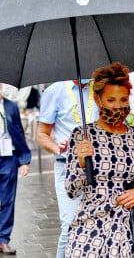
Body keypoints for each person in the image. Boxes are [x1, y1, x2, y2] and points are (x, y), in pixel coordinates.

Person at [64, 62, 134, 258]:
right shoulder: (82, 135)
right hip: (91, 223)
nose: (118, 106)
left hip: (131, 226)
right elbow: (71, 190)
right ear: (97, 98)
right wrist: (81, 163)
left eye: (123, 99)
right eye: (111, 100)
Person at [37, 79, 99, 258]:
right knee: (71, 226)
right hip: (67, 167)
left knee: (97, 225)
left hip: (98, 167)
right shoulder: (53, 92)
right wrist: (57, 148)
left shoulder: (100, 88)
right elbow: (41, 134)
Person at [0, 83, 31, 255]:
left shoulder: (10, 106)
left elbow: (18, 132)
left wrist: (24, 160)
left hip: (8, 158)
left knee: (7, 200)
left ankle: (3, 239)